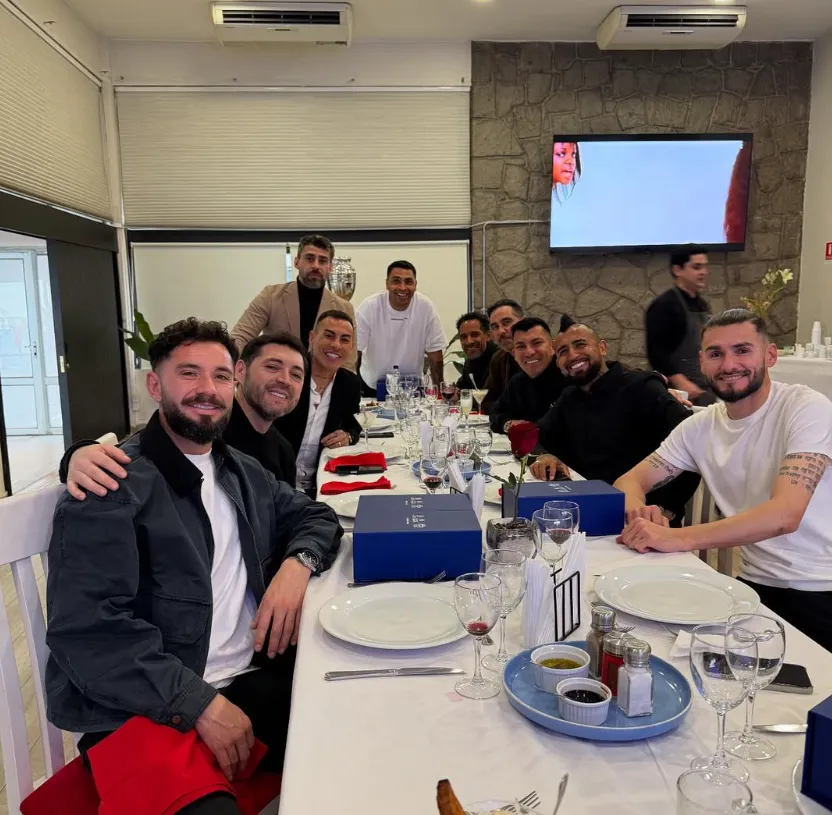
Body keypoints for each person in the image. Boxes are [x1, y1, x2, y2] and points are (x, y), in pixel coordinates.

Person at [45, 318, 342, 815]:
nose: (208, 390)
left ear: (235, 381)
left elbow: (317, 516)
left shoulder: (240, 470)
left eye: (220, 376)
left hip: (246, 681)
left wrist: (296, 567)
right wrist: (198, 703)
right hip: (144, 708)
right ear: (155, 385)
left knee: (366, 732)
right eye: (189, 374)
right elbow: (88, 632)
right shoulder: (112, 483)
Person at [614, 309, 832, 650]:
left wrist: (677, 538)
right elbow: (629, 481)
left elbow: (784, 516)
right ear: (702, 362)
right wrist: (640, 514)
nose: (729, 365)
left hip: (820, 588)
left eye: (742, 350)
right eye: (716, 354)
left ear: (770, 355)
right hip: (754, 588)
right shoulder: (699, 426)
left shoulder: (806, 408)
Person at [60, 331, 309, 493]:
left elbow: (289, 515)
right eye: (272, 367)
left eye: (296, 375)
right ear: (241, 372)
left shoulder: (280, 448)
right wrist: (76, 455)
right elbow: (141, 450)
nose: (284, 380)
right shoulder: (205, 428)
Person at [530, 323, 699, 524]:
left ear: (602, 348)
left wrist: (666, 510)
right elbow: (536, 435)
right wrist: (544, 455)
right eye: (563, 351)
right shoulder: (570, 397)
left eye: (580, 345)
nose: (573, 355)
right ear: (558, 363)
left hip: (643, 518)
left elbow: (693, 443)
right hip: (590, 511)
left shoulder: (644, 387)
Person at [230, 234, 356, 370]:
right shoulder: (270, 296)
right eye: (309, 258)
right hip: (276, 379)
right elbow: (240, 337)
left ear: (330, 267)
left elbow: (349, 360)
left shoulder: (344, 307)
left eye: (323, 261)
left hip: (323, 386)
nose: (316, 265)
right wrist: (234, 368)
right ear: (296, 262)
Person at [273, 310, 362, 494]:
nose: (336, 345)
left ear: (352, 346)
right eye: (329, 336)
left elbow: (353, 425)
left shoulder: (349, 385)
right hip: (275, 483)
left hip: (319, 485)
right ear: (312, 338)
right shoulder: (288, 377)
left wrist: (348, 436)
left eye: (345, 340)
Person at [355, 260, 445, 396]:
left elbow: (435, 354)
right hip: (372, 386)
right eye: (396, 281)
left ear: (415, 284)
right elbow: (355, 353)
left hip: (413, 388)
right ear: (387, 284)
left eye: (408, 282)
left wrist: (440, 393)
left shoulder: (426, 308)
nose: (402, 288)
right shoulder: (369, 307)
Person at [645, 248, 716, 407]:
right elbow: (656, 352)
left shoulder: (702, 305)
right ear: (677, 270)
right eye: (696, 267)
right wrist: (682, 383)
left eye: (705, 267)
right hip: (677, 393)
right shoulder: (664, 306)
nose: (703, 272)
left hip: (703, 387)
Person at [489, 317, 569, 434]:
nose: (529, 352)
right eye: (521, 346)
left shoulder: (570, 377)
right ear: (514, 354)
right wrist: (508, 424)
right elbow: (495, 414)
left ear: (553, 347)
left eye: (537, 343)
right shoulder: (517, 382)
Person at [481, 299, 524, 414]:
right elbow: (487, 401)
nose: (501, 331)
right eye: (495, 326)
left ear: (523, 322)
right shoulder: (498, 359)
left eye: (506, 322)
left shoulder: (540, 354)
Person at [455, 311, 498, 392]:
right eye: (464, 337)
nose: (469, 341)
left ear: (488, 336)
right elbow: (460, 388)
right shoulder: (469, 361)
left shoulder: (501, 359)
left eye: (475, 335)